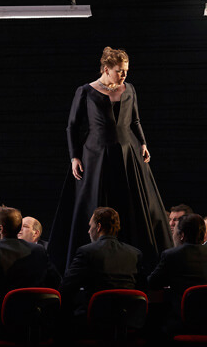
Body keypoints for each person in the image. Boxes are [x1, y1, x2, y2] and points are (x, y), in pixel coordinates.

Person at [48, 47, 171, 273]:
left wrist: (143, 143)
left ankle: (139, 263)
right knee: (94, 201)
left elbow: (135, 121)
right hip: (95, 154)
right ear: (106, 69)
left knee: (132, 204)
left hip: (128, 154)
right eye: (119, 71)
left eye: (126, 70)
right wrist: (74, 156)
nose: (124, 75)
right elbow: (72, 126)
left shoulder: (129, 89)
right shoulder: (86, 91)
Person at [0, 205, 59, 329]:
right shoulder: (39, 250)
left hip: (0, 325)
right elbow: (55, 280)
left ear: (1, 229)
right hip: (34, 324)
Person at [59, 206, 144, 317]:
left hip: (95, 318)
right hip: (129, 317)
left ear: (98, 227)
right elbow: (143, 287)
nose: (89, 231)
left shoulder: (86, 252)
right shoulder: (135, 253)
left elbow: (66, 287)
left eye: (90, 226)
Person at [147, 213, 207, 323]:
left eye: (174, 231)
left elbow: (152, 283)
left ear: (182, 235)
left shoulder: (171, 255)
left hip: (181, 320)